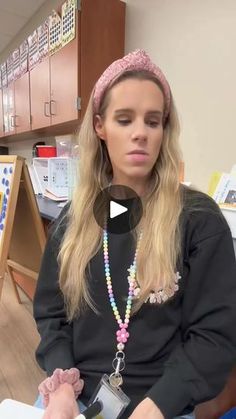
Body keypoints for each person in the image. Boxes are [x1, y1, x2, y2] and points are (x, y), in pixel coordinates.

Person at [33, 49, 236, 419]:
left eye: (153, 121)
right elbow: (51, 314)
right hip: (75, 397)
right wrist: (62, 385)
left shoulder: (198, 220)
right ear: (100, 127)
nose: (140, 133)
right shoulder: (74, 221)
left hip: (162, 405)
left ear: (164, 129)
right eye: (124, 120)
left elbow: (214, 336)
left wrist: (158, 406)